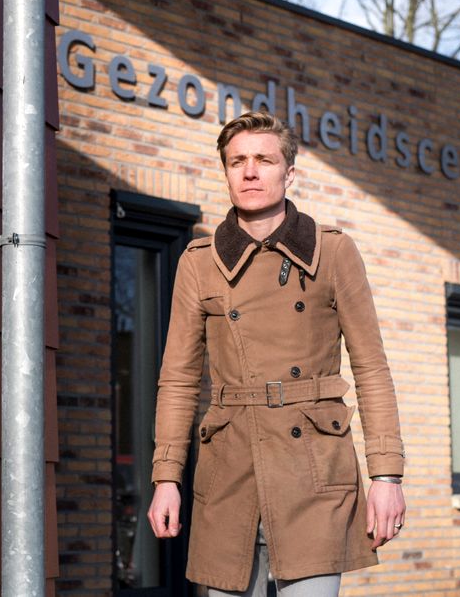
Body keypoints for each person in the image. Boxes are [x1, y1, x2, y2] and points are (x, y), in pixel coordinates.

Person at [147, 112, 406, 596]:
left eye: (264, 160)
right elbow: (178, 379)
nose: (249, 172)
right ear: (226, 172)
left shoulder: (333, 252)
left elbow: (371, 369)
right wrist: (166, 478)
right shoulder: (199, 263)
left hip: (314, 470)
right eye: (237, 161)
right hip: (229, 472)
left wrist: (387, 476)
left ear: (289, 173)